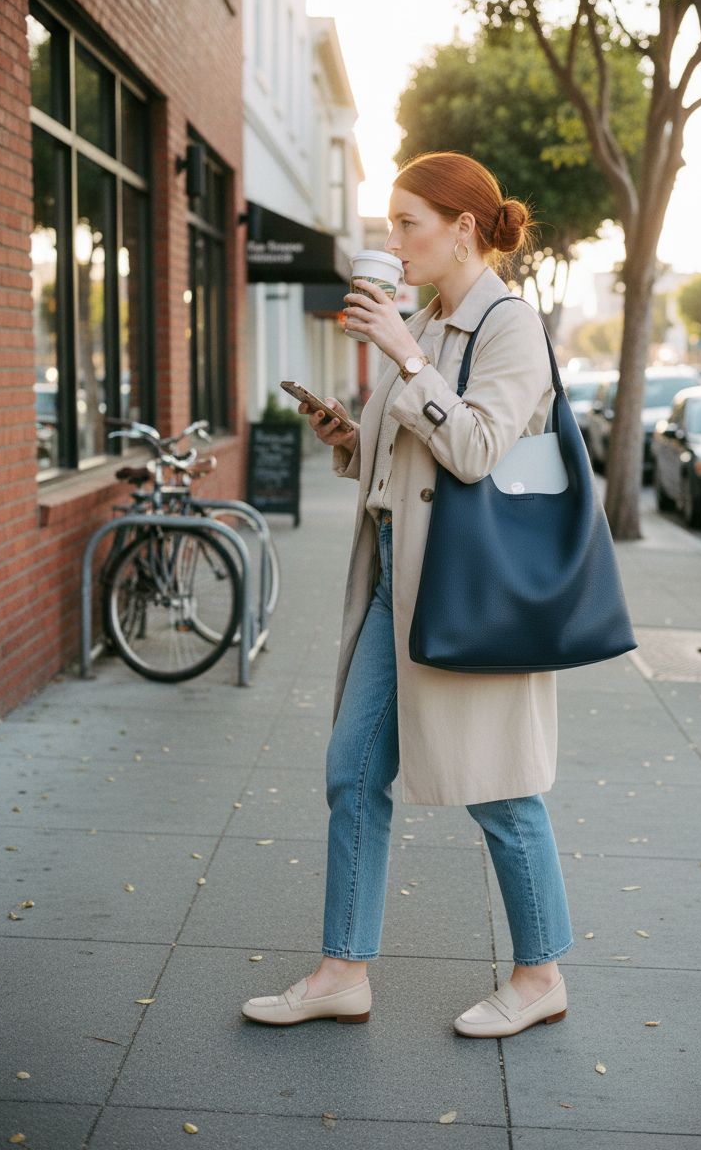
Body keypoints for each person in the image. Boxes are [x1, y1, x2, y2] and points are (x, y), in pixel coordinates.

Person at [241, 151, 574, 1038]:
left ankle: (540, 973)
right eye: (388, 225)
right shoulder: (422, 322)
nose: (390, 241)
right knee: (352, 772)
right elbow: (412, 457)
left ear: (463, 229)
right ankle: (342, 968)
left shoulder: (509, 327)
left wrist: (398, 354)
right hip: (398, 575)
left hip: (471, 587)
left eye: (405, 225)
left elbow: (476, 451)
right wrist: (349, 436)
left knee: (501, 787)